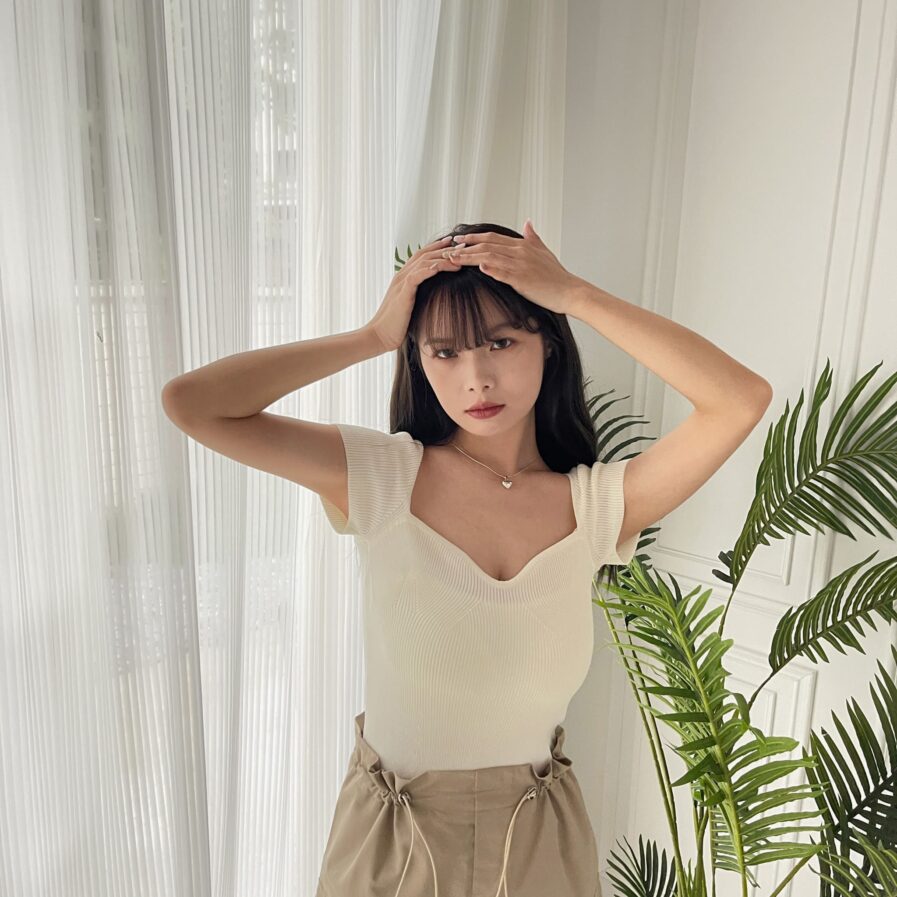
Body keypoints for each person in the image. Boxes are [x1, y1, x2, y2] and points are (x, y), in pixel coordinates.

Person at [161, 220, 773, 897]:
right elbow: (193, 404)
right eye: (444, 352)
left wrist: (574, 294)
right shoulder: (381, 476)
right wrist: (372, 337)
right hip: (395, 838)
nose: (476, 378)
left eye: (501, 342)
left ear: (547, 344)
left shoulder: (597, 506)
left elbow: (738, 400)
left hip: (537, 841)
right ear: (419, 362)